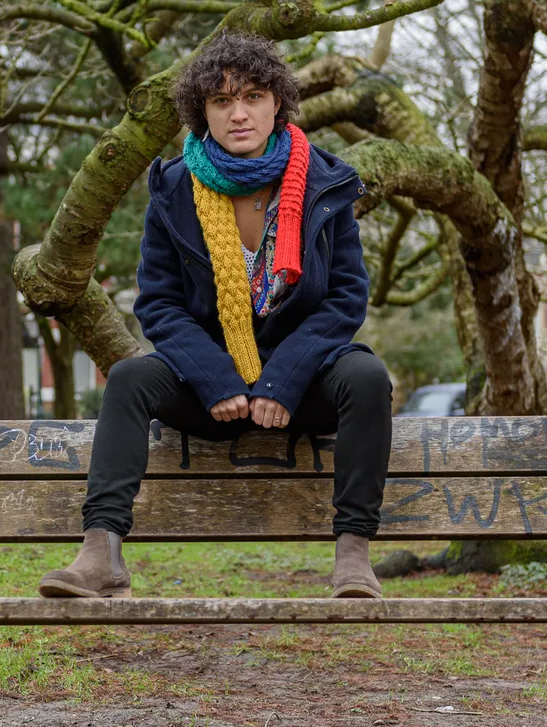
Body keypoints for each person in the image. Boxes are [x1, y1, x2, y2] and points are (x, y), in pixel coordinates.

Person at [38, 32, 393, 600]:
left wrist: (281, 381)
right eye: (222, 101)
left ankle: (353, 556)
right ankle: (100, 552)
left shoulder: (325, 183)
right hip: (211, 390)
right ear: (202, 111)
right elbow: (158, 303)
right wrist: (216, 379)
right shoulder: (174, 188)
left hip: (300, 385)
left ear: (277, 102)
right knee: (129, 378)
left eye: (252, 97)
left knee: (368, 376)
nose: (239, 113)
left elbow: (346, 298)